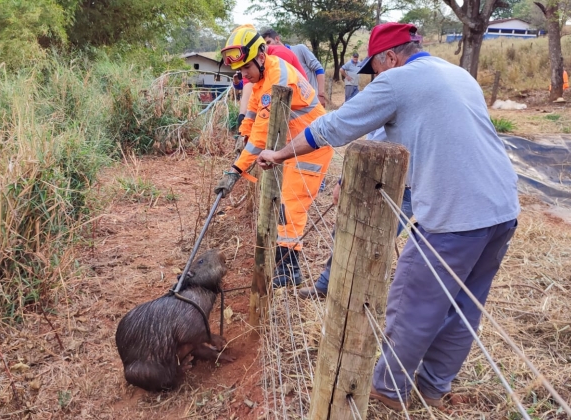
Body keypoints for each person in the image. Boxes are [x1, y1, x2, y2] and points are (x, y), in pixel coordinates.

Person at [256, 22, 519, 411]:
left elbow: (333, 126)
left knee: (413, 302)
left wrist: (277, 155)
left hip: (454, 216)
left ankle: (389, 390)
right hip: (503, 208)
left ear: (390, 57)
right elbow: (401, 135)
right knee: (463, 305)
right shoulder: (456, 74)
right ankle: (433, 387)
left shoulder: (398, 82)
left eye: (375, 70)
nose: (374, 79)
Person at [215, 25, 334, 288]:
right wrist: (240, 136)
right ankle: (283, 263)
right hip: (292, 146)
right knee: (283, 205)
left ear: (260, 55)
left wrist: (234, 171)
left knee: (290, 207)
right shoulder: (264, 76)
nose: (244, 74)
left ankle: (288, 269)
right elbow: (253, 114)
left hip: (312, 148)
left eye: (246, 67)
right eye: (240, 70)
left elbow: (261, 136)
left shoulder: (277, 77)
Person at [298, 128, 414, 300]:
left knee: (375, 245)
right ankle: (328, 284)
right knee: (346, 231)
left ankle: (359, 298)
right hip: (372, 178)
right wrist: (342, 179)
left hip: (406, 186)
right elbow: (370, 142)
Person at [232, 25, 307, 130]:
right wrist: (243, 116)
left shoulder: (279, 55)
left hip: (299, 115)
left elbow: (272, 96)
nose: (244, 73)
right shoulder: (254, 66)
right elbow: (249, 88)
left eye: (246, 66)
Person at [261, 28, 328, 107]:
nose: (268, 46)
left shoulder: (300, 49)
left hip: (312, 98)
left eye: (268, 42)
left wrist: (320, 94)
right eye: (265, 45)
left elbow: (319, 69)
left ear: (277, 39)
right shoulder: (273, 61)